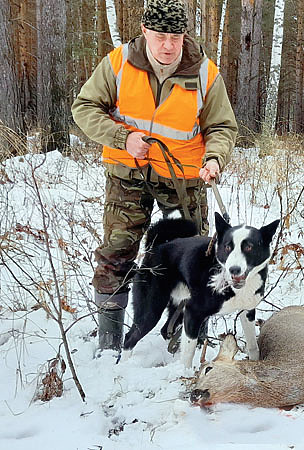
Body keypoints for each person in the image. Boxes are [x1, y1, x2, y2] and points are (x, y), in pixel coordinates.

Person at [71, 0, 237, 352]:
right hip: (127, 172)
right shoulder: (118, 63)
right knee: (117, 252)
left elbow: (221, 126)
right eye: (160, 35)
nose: (168, 45)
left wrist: (214, 158)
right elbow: (84, 108)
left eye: (176, 36)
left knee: (198, 256)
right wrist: (123, 138)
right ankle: (111, 340)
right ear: (144, 31)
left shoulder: (205, 72)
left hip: (185, 176)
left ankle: (188, 330)